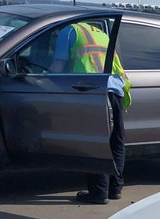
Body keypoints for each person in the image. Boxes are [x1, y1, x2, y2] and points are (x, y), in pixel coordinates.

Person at [52, 21, 131, 205]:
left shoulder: (69, 31)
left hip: (92, 91)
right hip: (115, 90)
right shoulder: (101, 33)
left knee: (95, 142)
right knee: (115, 142)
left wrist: (43, 82)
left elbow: (58, 65)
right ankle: (114, 189)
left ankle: (98, 193)